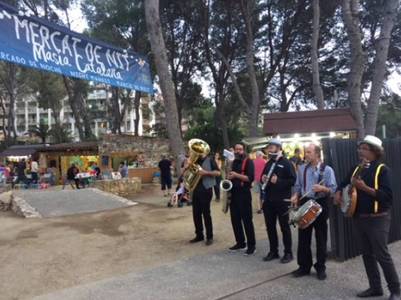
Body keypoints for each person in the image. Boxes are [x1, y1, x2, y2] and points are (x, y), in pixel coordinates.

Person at [334, 136, 400, 300]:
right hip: (359, 217)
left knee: (382, 255)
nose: (360, 151)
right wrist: (337, 193)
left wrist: (364, 188)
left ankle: (396, 290)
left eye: (364, 148)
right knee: (367, 254)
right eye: (360, 148)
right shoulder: (356, 168)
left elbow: (387, 197)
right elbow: (343, 183)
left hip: (378, 218)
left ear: (374, 152)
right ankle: (375, 287)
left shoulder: (382, 170)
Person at [290, 143, 337, 280]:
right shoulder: (302, 168)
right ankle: (304, 266)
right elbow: (298, 187)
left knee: (321, 238)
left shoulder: (327, 170)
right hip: (306, 203)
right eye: (306, 152)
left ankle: (320, 267)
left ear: (317, 154)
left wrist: (323, 189)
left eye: (309, 152)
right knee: (303, 237)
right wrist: (295, 195)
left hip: (320, 204)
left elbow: (333, 190)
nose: (306, 155)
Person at [261, 139, 296, 264]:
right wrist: (263, 178)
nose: (270, 148)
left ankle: (288, 253)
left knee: (284, 227)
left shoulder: (286, 163)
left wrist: (279, 181)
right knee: (270, 227)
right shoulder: (269, 162)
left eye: (272, 146)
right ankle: (273, 251)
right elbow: (262, 177)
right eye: (269, 146)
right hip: (269, 200)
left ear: (279, 148)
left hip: (282, 201)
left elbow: (293, 180)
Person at [228, 143, 256, 256]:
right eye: (236, 149)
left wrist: (236, 175)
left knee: (247, 221)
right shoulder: (232, 162)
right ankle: (240, 242)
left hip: (244, 194)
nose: (238, 151)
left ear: (243, 150)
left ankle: (251, 245)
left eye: (240, 149)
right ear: (234, 150)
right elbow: (229, 175)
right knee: (235, 220)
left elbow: (250, 178)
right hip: (233, 193)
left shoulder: (249, 161)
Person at [189, 152, 220, 246]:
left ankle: (209, 236)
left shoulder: (210, 160)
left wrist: (206, 172)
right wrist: (188, 166)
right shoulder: (195, 160)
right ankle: (199, 235)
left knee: (206, 214)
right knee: (196, 214)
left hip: (206, 189)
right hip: (195, 189)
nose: (197, 151)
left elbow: (218, 173)